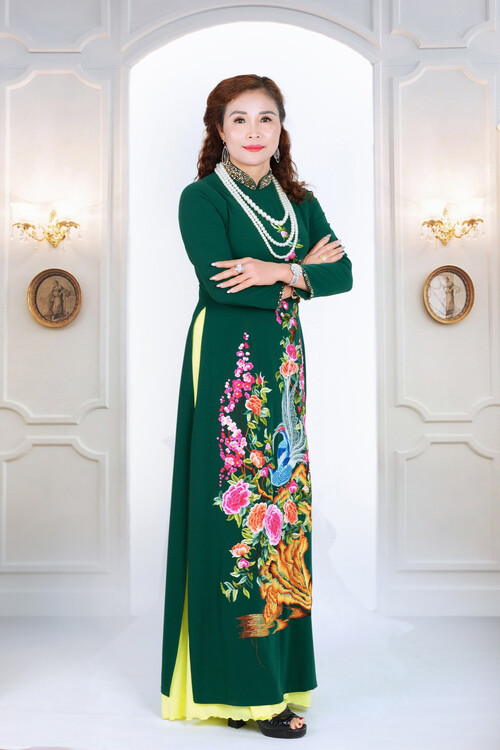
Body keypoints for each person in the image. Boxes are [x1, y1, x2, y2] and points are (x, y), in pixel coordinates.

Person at [160, 73, 353, 739]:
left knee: (284, 520)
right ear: (219, 130)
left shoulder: (299, 201)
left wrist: (274, 270)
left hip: (285, 366)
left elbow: (343, 274)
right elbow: (223, 285)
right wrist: (301, 272)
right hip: (227, 366)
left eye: (265, 118)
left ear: (280, 128)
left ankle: (279, 680)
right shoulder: (201, 198)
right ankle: (239, 690)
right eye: (238, 119)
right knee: (232, 518)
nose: (252, 131)